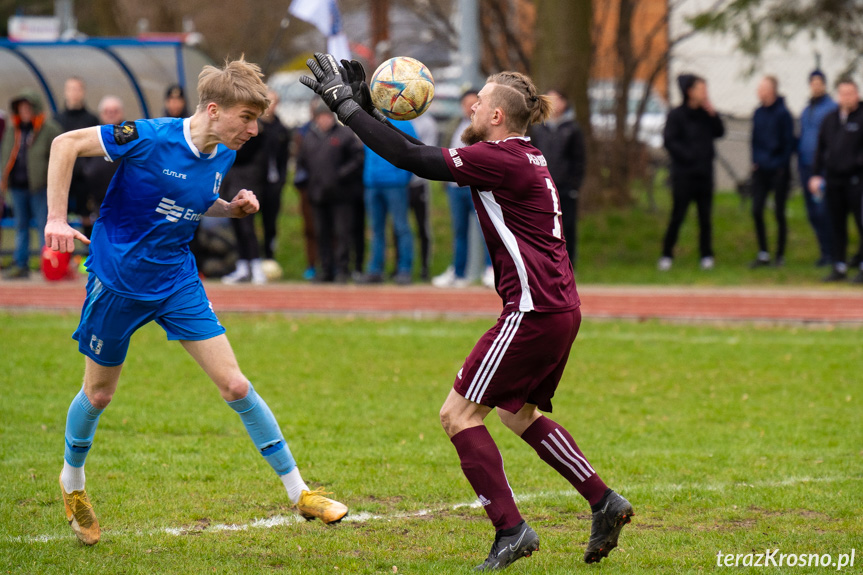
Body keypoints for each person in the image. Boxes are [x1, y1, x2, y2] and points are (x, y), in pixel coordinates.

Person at [302, 53, 633, 569]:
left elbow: (416, 161)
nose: (472, 105)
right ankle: (603, 500)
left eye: (480, 99)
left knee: (457, 415)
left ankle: (511, 530)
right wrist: (368, 110)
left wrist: (348, 110)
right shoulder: (523, 156)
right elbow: (418, 149)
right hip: (560, 306)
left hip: (531, 310)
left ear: (497, 116)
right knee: (516, 413)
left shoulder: (498, 160)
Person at [44, 56, 347, 546]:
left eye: (256, 119)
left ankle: (299, 492)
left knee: (235, 384)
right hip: (118, 279)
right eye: (246, 119)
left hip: (177, 280)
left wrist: (230, 208)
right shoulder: (146, 135)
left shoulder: (223, 152)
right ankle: (72, 480)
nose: (253, 129)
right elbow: (64, 143)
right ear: (212, 109)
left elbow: (191, 199)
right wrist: (56, 218)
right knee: (99, 394)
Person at [657, 74, 725, 271]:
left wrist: (713, 113)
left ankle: (706, 255)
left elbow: (720, 132)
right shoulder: (677, 115)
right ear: (690, 91)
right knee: (678, 215)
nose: (704, 93)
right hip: (684, 175)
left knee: (705, 218)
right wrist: (689, 157)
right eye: (700, 89)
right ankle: (666, 254)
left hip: (704, 175)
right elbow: (670, 141)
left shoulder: (706, 115)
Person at [295, 99, 364, 283]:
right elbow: (301, 162)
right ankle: (325, 269)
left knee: (342, 233)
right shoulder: (309, 137)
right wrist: (308, 180)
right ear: (316, 118)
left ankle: (342, 269)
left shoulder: (344, 135)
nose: (324, 120)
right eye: (320, 117)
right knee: (321, 234)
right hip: (318, 194)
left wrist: (341, 174)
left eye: (327, 116)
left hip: (341, 194)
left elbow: (357, 159)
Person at [432, 89, 494, 288]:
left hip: (476, 187)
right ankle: (458, 273)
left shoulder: (487, 128)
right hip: (455, 187)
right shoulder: (454, 125)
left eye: (473, 102)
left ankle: (491, 270)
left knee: (486, 229)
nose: (470, 107)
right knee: (459, 231)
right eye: (466, 103)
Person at [0, 90, 63, 279]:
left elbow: (60, 155)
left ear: (35, 107)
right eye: (21, 108)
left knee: (46, 226)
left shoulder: (49, 128)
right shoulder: (14, 129)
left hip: (41, 188)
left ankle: (50, 265)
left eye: (28, 107)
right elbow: (5, 156)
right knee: (21, 227)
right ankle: (21, 265)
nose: (24, 111)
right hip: (17, 188)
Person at [810, 78, 863, 283]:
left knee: (861, 224)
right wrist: (816, 174)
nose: (846, 98)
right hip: (833, 181)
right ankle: (839, 266)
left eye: (850, 93)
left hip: (857, 181)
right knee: (836, 225)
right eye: (843, 94)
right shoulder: (830, 119)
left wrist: (854, 164)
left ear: (856, 95)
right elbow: (820, 149)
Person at [530, 89, 586, 269]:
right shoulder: (539, 128)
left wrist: (573, 185)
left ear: (564, 103)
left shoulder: (572, 129)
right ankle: (545, 265)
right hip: (542, 187)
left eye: (557, 100)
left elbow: (579, 160)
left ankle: (569, 265)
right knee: (542, 226)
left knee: (567, 226)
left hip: (564, 187)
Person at [359, 119, 418, 285]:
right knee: (376, 229)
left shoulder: (404, 124)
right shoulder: (369, 120)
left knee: (401, 227)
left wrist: (402, 177)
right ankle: (375, 270)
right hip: (372, 183)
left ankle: (404, 269)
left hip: (395, 183)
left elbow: (414, 151)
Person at [750, 75, 794, 268]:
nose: (759, 91)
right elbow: (754, 139)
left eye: (762, 88)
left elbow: (788, 143)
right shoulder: (758, 113)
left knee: (779, 213)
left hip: (778, 170)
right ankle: (763, 253)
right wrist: (755, 161)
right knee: (757, 210)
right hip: (761, 170)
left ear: (772, 90)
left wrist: (780, 165)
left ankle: (780, 255)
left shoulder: (784, 114)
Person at [219, 115, 268, 285]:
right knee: (237, 228)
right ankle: (243, 266)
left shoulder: (256, 134)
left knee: (248, 228)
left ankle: (255, 264)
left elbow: (246, 154)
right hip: (231, 184)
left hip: (248, 184)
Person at [798, 70, 838, 268]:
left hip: (823, 168)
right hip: (806, 167)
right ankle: (824, 251)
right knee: (813, 212)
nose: (816, 86)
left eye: (819, 82)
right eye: (812, 82)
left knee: (824, 211)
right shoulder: (806, 110)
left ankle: (833, 252)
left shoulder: (831, 109)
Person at [56, 77, 100, 224]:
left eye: (77, 89)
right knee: (60, 221)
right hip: (63, 179)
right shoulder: (57, 120)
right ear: (65, 92)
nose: (74, 93)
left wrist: (86, 169)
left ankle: (89, 247)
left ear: (83, 92)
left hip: (85, 181)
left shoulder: (92, 120)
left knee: (89, 221)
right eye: (71, 89)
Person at [79, 96, 125, 237]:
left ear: (122, 113)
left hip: (126, 206)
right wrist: (84, 210)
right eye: (107, 111)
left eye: (115, 111)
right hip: (98, 206)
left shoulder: (131, 139)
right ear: (101, 114)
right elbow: (81, 175)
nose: (111, 114)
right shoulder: (92, 138)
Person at [259, 89, 290, 261]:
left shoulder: (281, 129)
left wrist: (282, 181)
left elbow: (284, 158)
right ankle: (251, 259)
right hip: (256, 183)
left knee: (270, 222)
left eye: (274, 102)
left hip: (274, 183)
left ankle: (268, 257)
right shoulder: (255, 128)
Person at [406, 112, 438, 280]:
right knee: (401, 227)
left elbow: (428, 151)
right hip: (400, 183)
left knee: (422, 226)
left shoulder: (428, 122)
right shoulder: (398, 119)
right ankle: (402, 266)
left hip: (418, 182)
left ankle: (425, 267)